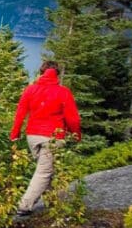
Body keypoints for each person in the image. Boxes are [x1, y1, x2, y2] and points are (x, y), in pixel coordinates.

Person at [9, 60, 81, 217]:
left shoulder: (30, 90)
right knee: (44, 171)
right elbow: (73, 119)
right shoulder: (63, 92)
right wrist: (76, 135)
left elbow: (20, 112)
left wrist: (15, 133)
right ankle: (24, 205)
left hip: (33, 137)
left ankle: (53, 202)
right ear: (58, 75)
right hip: (53, 137)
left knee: (47, 169)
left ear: (41, 73)